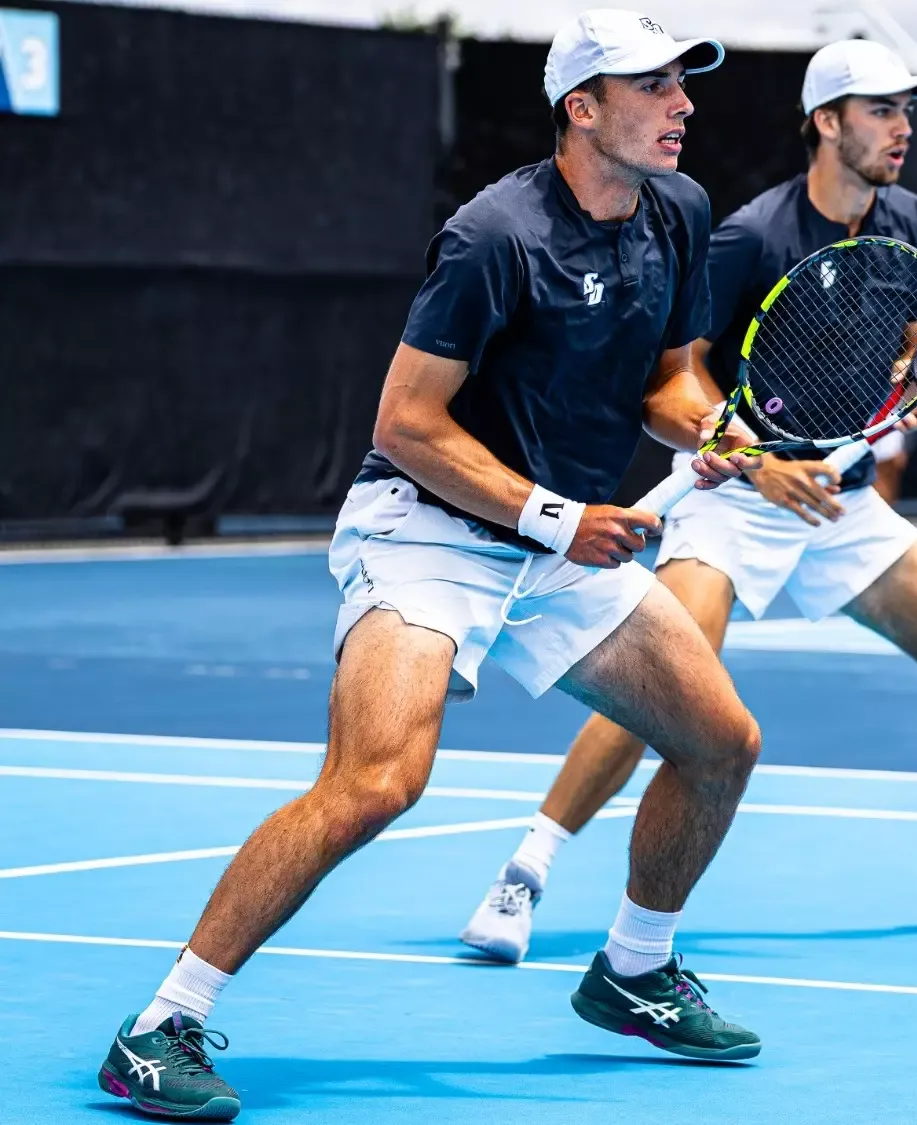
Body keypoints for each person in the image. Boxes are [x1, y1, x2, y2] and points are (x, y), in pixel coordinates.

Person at [94, 14, 768, 1119]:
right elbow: (407, 424)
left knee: (719, 744)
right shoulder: (492, 235)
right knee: (377, 783)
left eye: (683, 83)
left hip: (558, 543)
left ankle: (634, 971)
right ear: (581, 108)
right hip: (431, 530)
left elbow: (668, 384)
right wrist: (554, 515)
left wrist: (711, 435)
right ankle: (159, 1026)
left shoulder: (679, 214)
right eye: (652, 86)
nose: (683, 104)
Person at [457, 37, 917, 969]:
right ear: (825, 122)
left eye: (909, 110)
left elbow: (916, 336)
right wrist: (753, 465)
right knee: (664, 686)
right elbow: (682, 375)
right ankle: (527, 869)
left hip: (839, 495)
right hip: (736, 495)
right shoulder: (753, 236)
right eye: (880, 110)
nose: (902, 127)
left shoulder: (906, 215)